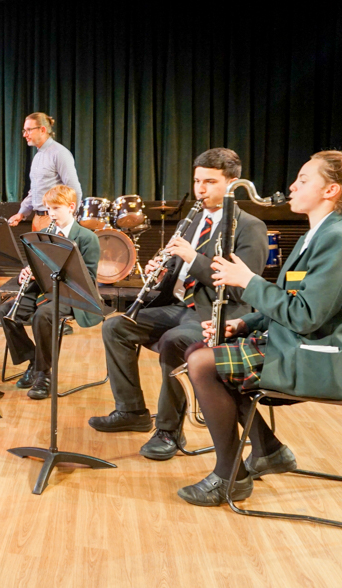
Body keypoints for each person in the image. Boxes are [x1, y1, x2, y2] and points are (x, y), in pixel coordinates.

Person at [176, 151, 342, 506]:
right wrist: (242, 323)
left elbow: (305, 315)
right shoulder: (322, 233)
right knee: (197, 352)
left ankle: (228, 475)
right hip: (299, 345)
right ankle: (268, 450)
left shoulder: (339, 239)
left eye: (304, 180)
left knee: (204, 364)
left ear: (331, 191)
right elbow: (291, 297)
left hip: (323, 362)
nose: (293, 186)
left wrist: (246, 281)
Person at [88, 149, 268, 461]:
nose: (201, 189)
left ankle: (169, 430)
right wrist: (164, 266)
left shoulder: (249, 226)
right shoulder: (195, 217)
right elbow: (179, 269)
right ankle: (131, 411)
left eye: (210, 182)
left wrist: (191, 257)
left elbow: (242, 289)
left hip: (218, 314)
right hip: (179, 305)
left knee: (175, 340)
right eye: (198, 181)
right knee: (115, 326)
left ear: (232, 183)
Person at [0, 185, 102, 400]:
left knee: (43, 316)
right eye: (48, 209)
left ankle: (44, 375)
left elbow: (88, 281)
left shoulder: (87, 237)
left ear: (71, 207)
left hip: (72, 295)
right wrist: (28, 271)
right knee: (6, 311)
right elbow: (36, 265)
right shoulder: (44, 235)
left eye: (56, 208)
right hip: (43, 291)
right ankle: (35, 361)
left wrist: (54, 272)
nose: (51, 214)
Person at [7, 113, 83, 232]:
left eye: (29, 130)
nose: (24, 135)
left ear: (42, 130)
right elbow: (35, 191)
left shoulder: (59, 153)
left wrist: (69, 219)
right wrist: (21, 214)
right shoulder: (38, 156)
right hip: (37, 219)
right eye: (24, 130)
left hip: (55, 219)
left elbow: (74, 188)